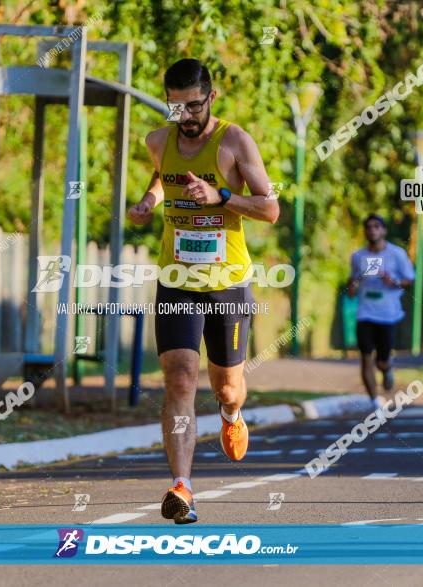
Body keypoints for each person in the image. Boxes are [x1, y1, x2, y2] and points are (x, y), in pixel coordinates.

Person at [126, 58, 278, 524]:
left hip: (227, 282)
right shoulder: (158, 141)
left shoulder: (234, 142)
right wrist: (150, 199)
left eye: (193, 106)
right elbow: (161, 173)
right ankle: (183, 487)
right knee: (178, 379)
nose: (185, 117)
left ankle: (231, 418)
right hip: (177, 279)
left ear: (211, 98)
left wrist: (222, 198)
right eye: (176, 108)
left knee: (226, 387)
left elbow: (271, 209)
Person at [346, 214, 415, 407]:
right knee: (366, 357)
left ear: (384, 230)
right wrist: (354, 281)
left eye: (376, 226)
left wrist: (392, 281)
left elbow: (409, 279)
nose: (372, 230)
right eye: (368, 227)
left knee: (381, 361)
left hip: (388, 313)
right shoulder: (358, 256)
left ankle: (387, 368)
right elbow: (351, 287)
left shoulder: (397, 254)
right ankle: (375, 401)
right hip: (365, 313)